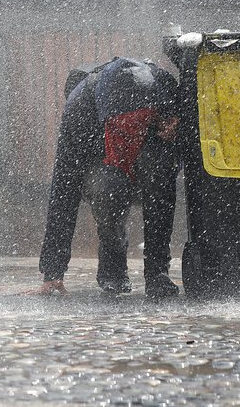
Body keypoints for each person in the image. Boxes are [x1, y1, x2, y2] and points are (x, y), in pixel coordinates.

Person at [35, 57, 181, 299]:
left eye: (137, 123)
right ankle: (113, 270)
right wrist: (53, 273)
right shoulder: (80, 110)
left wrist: (179, 123)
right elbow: (63, 192)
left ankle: (157, 273)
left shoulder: (166, 89)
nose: (129, 133)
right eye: (121, 127)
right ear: (105, 118)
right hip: (106, 169)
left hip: (150, 156)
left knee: (159, 171)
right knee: (107, 187)